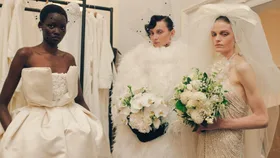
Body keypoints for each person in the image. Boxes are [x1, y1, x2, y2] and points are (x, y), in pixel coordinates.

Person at [0, 4, 111, 158]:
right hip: (35, 128)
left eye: (62, 27)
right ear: (41, 25)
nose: (57, 31)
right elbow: (2, 103)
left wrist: (93, 125)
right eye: (51, 25)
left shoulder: (68, 58)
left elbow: (78, 99)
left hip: (72, 127)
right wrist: (11, 132)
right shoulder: (25, 54)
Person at [187, 4, 280, 158]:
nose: (217, 39)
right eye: (214, 34)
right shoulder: (212, 67)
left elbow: (262, 118)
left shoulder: (242, 67)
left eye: (224, 34)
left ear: (236, 36)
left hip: (228, 143)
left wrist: (221, 124)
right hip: (206, 141)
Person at [111, 15, 197, 158]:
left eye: (159, 32)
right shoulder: (135, 58)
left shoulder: (185, 59)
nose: (154, 37)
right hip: (142, 125)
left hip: (171, 128)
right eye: (151, 33)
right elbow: (124, 91)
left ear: (172, 33)